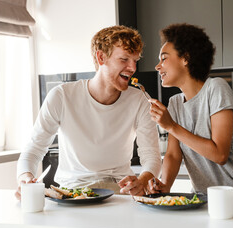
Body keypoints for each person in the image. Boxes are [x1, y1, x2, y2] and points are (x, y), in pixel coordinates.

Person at [15, 25, 161, 199]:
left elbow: (151, 155)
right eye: (124, 59)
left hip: (119, 192)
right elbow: (34, 149)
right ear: (101, 57)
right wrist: (25, 179)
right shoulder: (61, 96)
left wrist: (143, 180)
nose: (132, 67)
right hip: (72, 192)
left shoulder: (139, 100)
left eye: (135, 60)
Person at [147, 23, 233, 202]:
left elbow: (219, 155)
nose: (158, 66)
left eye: (164, 58)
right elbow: (173, 154)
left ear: (185, 58)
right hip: (204, 199)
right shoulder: (175, 103)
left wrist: (171, 126)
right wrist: (165, 185)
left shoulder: (216, 88)